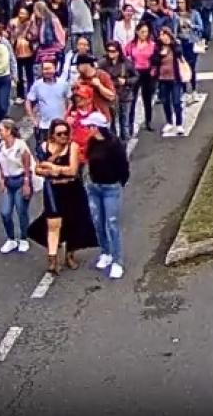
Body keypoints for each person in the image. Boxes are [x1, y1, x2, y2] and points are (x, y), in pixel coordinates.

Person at [29, 117, 98, 274]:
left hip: (72, 188)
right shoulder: (44, 147)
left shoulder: (72, 146)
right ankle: (52, 259)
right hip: (53, 190)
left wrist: (54, 168)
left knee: (73, 222)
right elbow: (38, 169)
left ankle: (70, 254)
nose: (63, 137)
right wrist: (52, 170)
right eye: (59, 134)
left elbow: (72, 170)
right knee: (53, 224)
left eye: (66, 133)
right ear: (52, 135)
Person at [83, 111, 128, 279]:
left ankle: (117, 261)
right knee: (98, 222)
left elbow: (123, 167)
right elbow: (89, 160)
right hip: (94, 187)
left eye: (90, 126)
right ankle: (106, 252)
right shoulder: (92, 142)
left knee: (112, 223)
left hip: (111, 188)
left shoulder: (114, 145)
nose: (88, 129)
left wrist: (118, 182)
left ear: (97, 127)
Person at [0, 118, 32, 254]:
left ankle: (23, 238)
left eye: (1, 130)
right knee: (5, 212)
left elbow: (27, 163)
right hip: (8, 182)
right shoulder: (0, 147)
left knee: (21, 211)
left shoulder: (20, 145)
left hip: (20, 179)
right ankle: (11, 239)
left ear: (9, 131)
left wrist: (27, 182)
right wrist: (1, 178)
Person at [97, 42, 138, 141]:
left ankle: (125, 144)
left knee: (124, 123)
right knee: (111, 123)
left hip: (124, 95)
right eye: (109, 51)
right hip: (109, 96)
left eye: (113, 51)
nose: (111, 53)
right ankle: (114, 144)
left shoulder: (126, 63)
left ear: (118, 52)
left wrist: (126, 81)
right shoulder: (102, 63)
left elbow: (136, 76)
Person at [25, 59, 70, 149]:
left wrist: (67, 116)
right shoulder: (37, 85)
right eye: (45, 69)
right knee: (44, 152)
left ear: (55, 69)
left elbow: (70, 100)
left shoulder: (63, 84)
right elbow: (28, 101)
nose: (47, 71)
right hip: (44, 127)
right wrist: (33, 119)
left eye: (49, 68)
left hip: (62, 126)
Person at [152, 26, 187, 136]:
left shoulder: (175, 45)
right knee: (165, 101)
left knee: (176, 101)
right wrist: (160, 54)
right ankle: (169, 121)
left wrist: (172, 44)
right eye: (161, 35)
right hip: (163, 79)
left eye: (165, 35)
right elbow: (154, 61)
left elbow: (180, 53)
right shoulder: (157, 48)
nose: (163, 37)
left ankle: (179, 124)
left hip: (175, 78)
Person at [125, 24, 157, 132]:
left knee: (147, 98)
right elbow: (125, 56)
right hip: (135, 72)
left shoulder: (152, 45)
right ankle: (129, 123)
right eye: (142, 32)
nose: (144, 34)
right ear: (137, 32)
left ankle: (148, 121)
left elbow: (156, 59)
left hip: (147, 73)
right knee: (132, 98)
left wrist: (153, 69)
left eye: (146, 32)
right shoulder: (131, 45)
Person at [175, 0, 205, 103]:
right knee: (182, 67)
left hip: (192, 42)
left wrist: (192, 25)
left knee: (192, 67)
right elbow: (174, 30)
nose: (180, 5)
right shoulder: (175, 15)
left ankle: (193, 90)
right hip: (181, 42)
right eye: (178, 3)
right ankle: (184, 91)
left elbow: (201, 27)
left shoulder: (194, 13)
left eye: (182, 2)